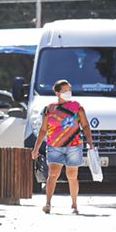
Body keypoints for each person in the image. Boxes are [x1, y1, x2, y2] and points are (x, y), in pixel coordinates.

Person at [31, 78, 92, 215]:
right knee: (53, 174)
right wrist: (36, 148)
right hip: (54, 146)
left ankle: (74, 205)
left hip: (74, 146)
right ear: (57, 93)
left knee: (72, 176)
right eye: (65, 90)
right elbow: (43, 130)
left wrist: (90, 142)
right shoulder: (49, 109)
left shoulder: (77, 107)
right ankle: (48, 203)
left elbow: (86, 126)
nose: (68, 93)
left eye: (69, 90)